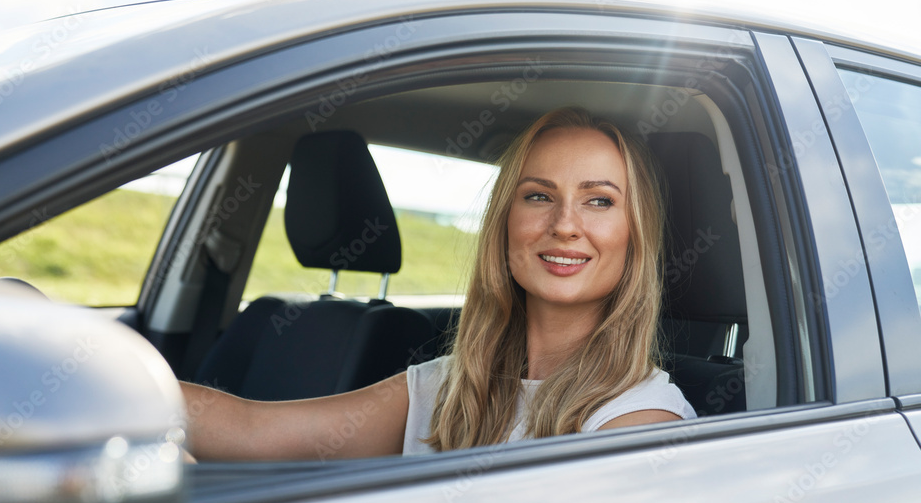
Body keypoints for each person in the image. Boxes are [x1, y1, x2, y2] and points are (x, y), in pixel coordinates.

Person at [180, 106, 696, 461]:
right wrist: (119, 385)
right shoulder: (449, 386)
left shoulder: (638, 423)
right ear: (505, 222)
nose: (564, 223)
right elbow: (252, 430)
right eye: (538, 195)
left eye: (599, 200)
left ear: (636, 235)